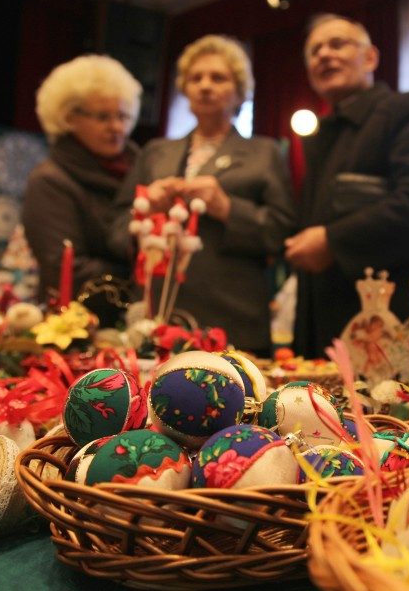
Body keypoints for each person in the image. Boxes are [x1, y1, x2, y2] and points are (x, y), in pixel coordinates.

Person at [111, 35, 295, 356]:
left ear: (239, 91)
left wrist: (227, 207)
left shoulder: (263, 153)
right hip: (158, 320)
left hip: (234, 320)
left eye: (218, 77)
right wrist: (145, 212)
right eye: (195, 78)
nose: (205, 86)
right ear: (184, 89)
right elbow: (114, 231)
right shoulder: (155, 152)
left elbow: (282, 232)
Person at [286, 14, 409, 358]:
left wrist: (332, 241)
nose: (324, 55)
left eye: (337, 44)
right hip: (326, 334)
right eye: (314, 51)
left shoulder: (403, 109)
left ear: (370, 58)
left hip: (392, 334)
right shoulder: (321, 136)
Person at [22, 55, 142, 304]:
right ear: (68, 118)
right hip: (77, 325)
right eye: (102, 117)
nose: (116, 127)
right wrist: (145, 276)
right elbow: (67, 271)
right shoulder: (49, 181)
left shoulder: (143, 166)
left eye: (122, 116)